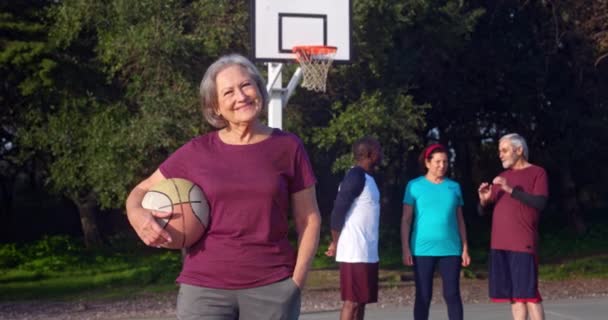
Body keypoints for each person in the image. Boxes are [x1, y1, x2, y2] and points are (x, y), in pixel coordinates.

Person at [126, 54, 322, 320]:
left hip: (272, 286)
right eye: (228, 92)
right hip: (204, 290)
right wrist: (138, 216)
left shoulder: (287, 147)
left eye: (246, 85)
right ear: (216, 107)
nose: (241, 96)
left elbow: (308, 219)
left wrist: (296, 283)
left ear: (259, 90)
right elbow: (139, 192)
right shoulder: (197, 151)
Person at [478, 133, 548, 320]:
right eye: (499, 151)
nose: (500, 154)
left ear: (519, 150)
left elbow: (540, 203)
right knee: (515, 297)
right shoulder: (502, 177)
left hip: (522, 244)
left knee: (530, 295)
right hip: (500, 244)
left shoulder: (537, 172)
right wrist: (483, 201)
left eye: (505, 150)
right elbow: (482, 211)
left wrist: (510, 190)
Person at [400, 143, 470, 320]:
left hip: (451, 249)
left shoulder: (454, 187)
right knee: (423, 296)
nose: (442, 165)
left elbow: (460, 219)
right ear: (427, 163)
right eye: (438, 161)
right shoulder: (414, 186)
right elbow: (406, 220)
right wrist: (405, 248)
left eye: (445, 162)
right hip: (422, 249)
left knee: (452, 294)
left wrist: (465, 248)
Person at [324, 137, 383, 320]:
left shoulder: (368, 178)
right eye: (378, 150)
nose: (381, 153)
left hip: (367, 251)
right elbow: (337, 212)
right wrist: (336, 242)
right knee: (352, 302)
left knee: (362, 300)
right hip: (355, 251)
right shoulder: (355, 176)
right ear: (369, 154)